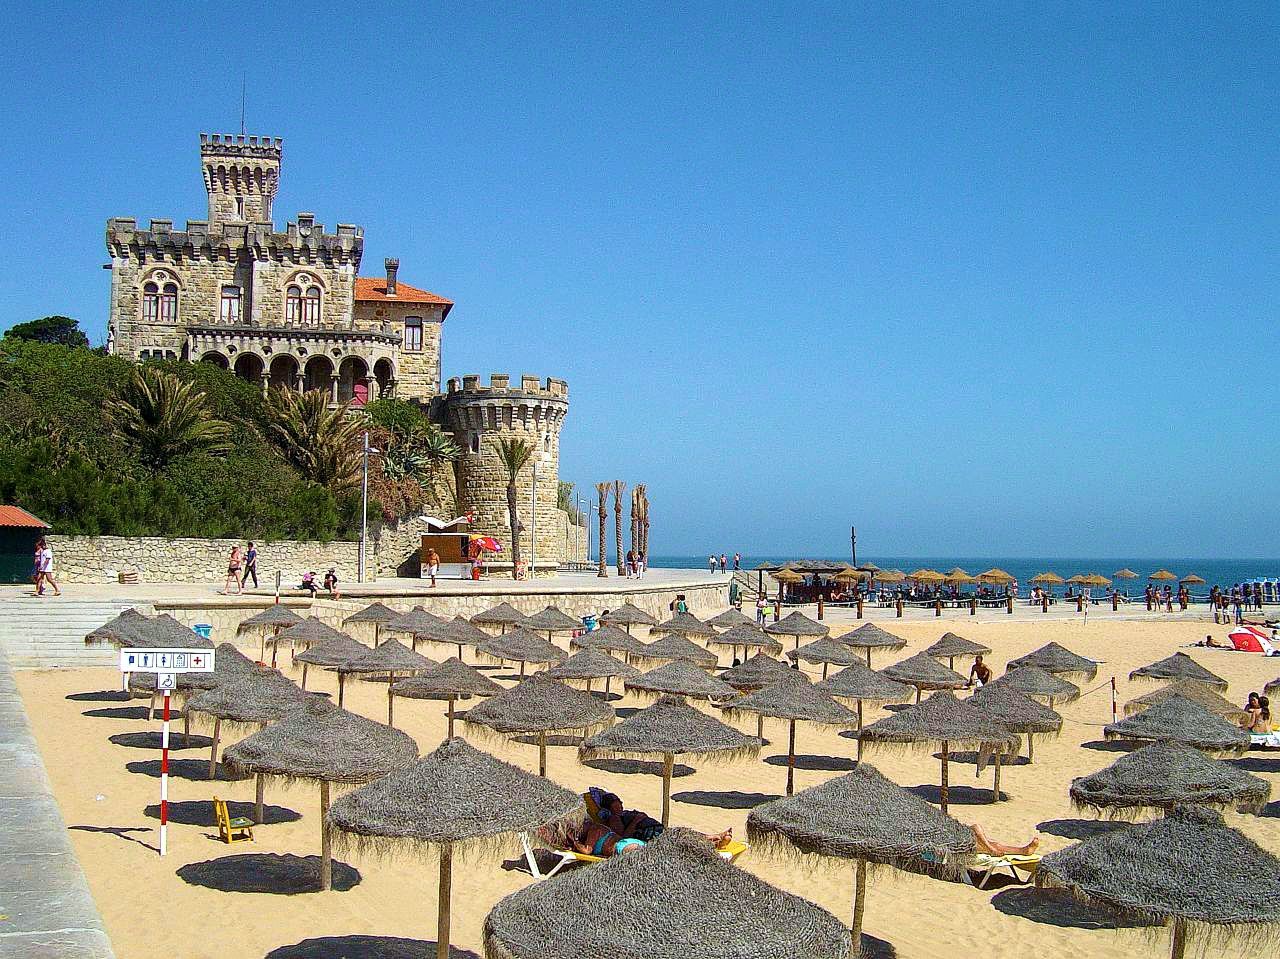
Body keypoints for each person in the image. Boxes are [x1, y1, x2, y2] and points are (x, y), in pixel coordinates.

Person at [970, 824, 1039, 857]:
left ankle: (1023, 850)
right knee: (976, 828)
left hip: (962, 840)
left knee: (994, 845)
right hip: (960, 845)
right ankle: (991, 850)